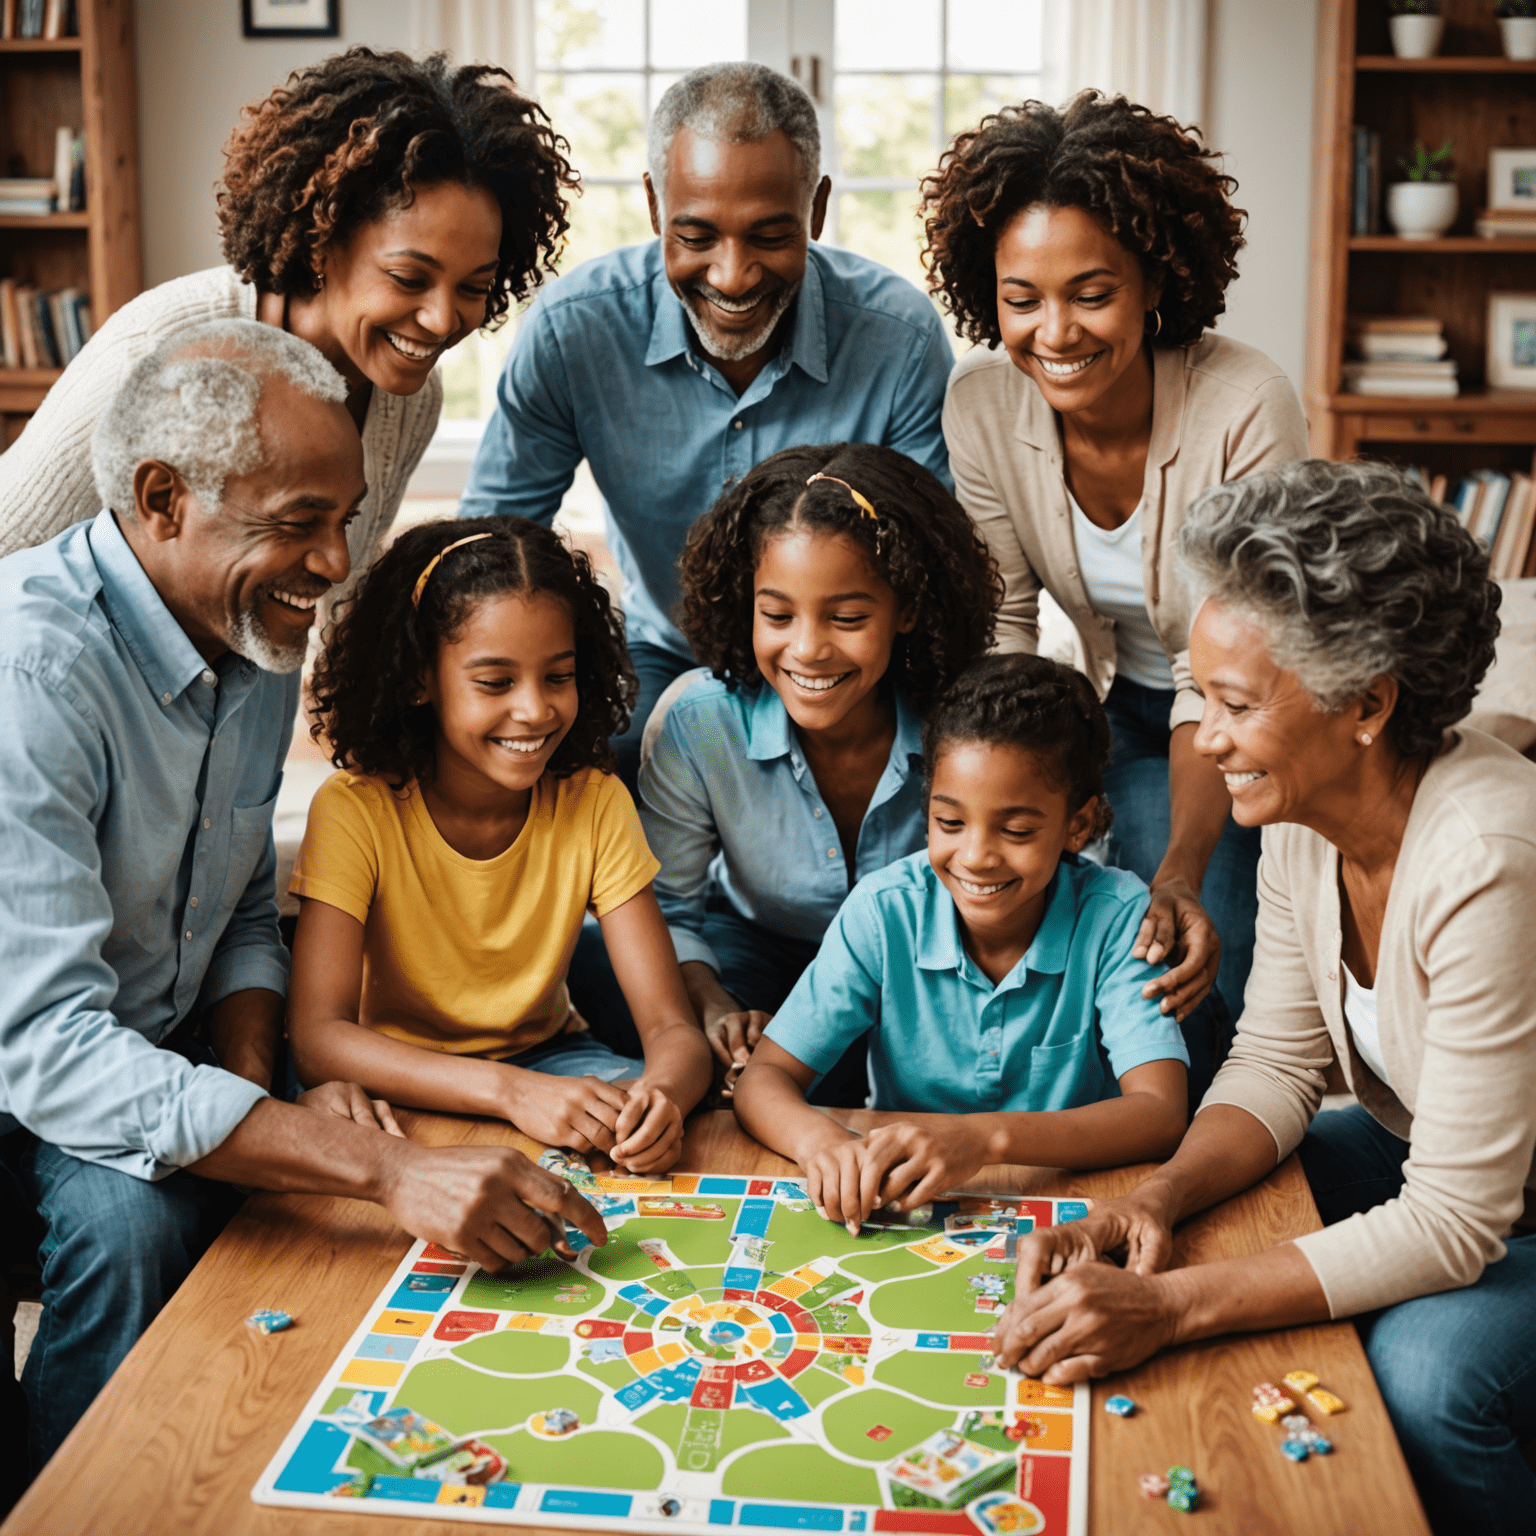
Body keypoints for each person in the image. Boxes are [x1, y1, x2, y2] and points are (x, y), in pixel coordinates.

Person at [0, 322, 606, 1475]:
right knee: (140, 1226)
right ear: (163, 499)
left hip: (151, 1042)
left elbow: (228, 909)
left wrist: (247, 1071)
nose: (334, 566)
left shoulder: (251, 632)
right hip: (31, 1071)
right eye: (297, 524)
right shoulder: (30, 674)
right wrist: (380, 1169)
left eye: (343, 519)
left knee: (380, 1160)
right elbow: (49, 1051)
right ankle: (83, 1494)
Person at [989, 461, 1534, 1536]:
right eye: (1203, 697)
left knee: (1427, 1373)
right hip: (1440, 1153)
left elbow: (1457, 1219)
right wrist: (1158, 1197)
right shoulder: (1299, 810)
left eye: (1234, 706)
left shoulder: (1488, 855)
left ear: (1368, 704)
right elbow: (1280, 1066)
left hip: (1499, 1195)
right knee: (1222, 1206)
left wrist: (1168, 1308)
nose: (1207, 740)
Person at [922, 91, 1309, 1025]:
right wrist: (1002, 802)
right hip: (1106, 709)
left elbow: (1229, 668)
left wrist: (1178, 869)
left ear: (1155, 283)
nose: (1055, 334)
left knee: (1197, 935)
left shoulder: (1245, 403)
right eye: (1023, 300)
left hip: (1249, 711)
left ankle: (1204, 1153)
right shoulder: (980, 407)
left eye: (1091, 294)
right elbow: (1006, 624)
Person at [459, 61, 955, 790]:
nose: (732, 275)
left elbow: (935, 573)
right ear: (656, 205)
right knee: (576, 778)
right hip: (663, 653)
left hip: (842, 665)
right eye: (697, 235)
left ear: (816, 210)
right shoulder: (574, 333)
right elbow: (491, 548)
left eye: (769, 236)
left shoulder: (900, 340)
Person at [0, 47, 575, 590]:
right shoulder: (158, 348)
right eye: (408, 279)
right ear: (323, 240)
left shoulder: (407, 396)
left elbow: (334, 598)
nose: (441, 318)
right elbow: (9, 544)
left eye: (474, 286)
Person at [286, 517, 713, 1173]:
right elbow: (319, 1039)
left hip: (551, 1060)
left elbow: (671, 1030)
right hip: (397, 1078)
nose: (535, 710)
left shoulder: (594, 803)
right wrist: (510, 1093)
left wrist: (663, 1098)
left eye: (558, 676)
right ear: (418, 679)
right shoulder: (356, 810)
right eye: (495, 682)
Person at [733, 653, 1190, 1227]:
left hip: (1077, 1207)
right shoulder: (884, 912)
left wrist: (982, 1139)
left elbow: (1160, 1111)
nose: (975, 857)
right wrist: (821, 1144)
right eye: (949, 823)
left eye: (1017, 830)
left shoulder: (1119, 918)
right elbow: (764, 1081)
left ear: (1079, 825)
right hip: (911, 1217)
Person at [637, 442, 1001, 1101]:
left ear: (909, 610)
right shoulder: (700, 721)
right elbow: (668, 910)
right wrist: (712, 1003)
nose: (807, 650)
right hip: (761, 954)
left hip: (931, 967)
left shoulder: (971, 724)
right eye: (776, 615)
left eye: (849, 618)